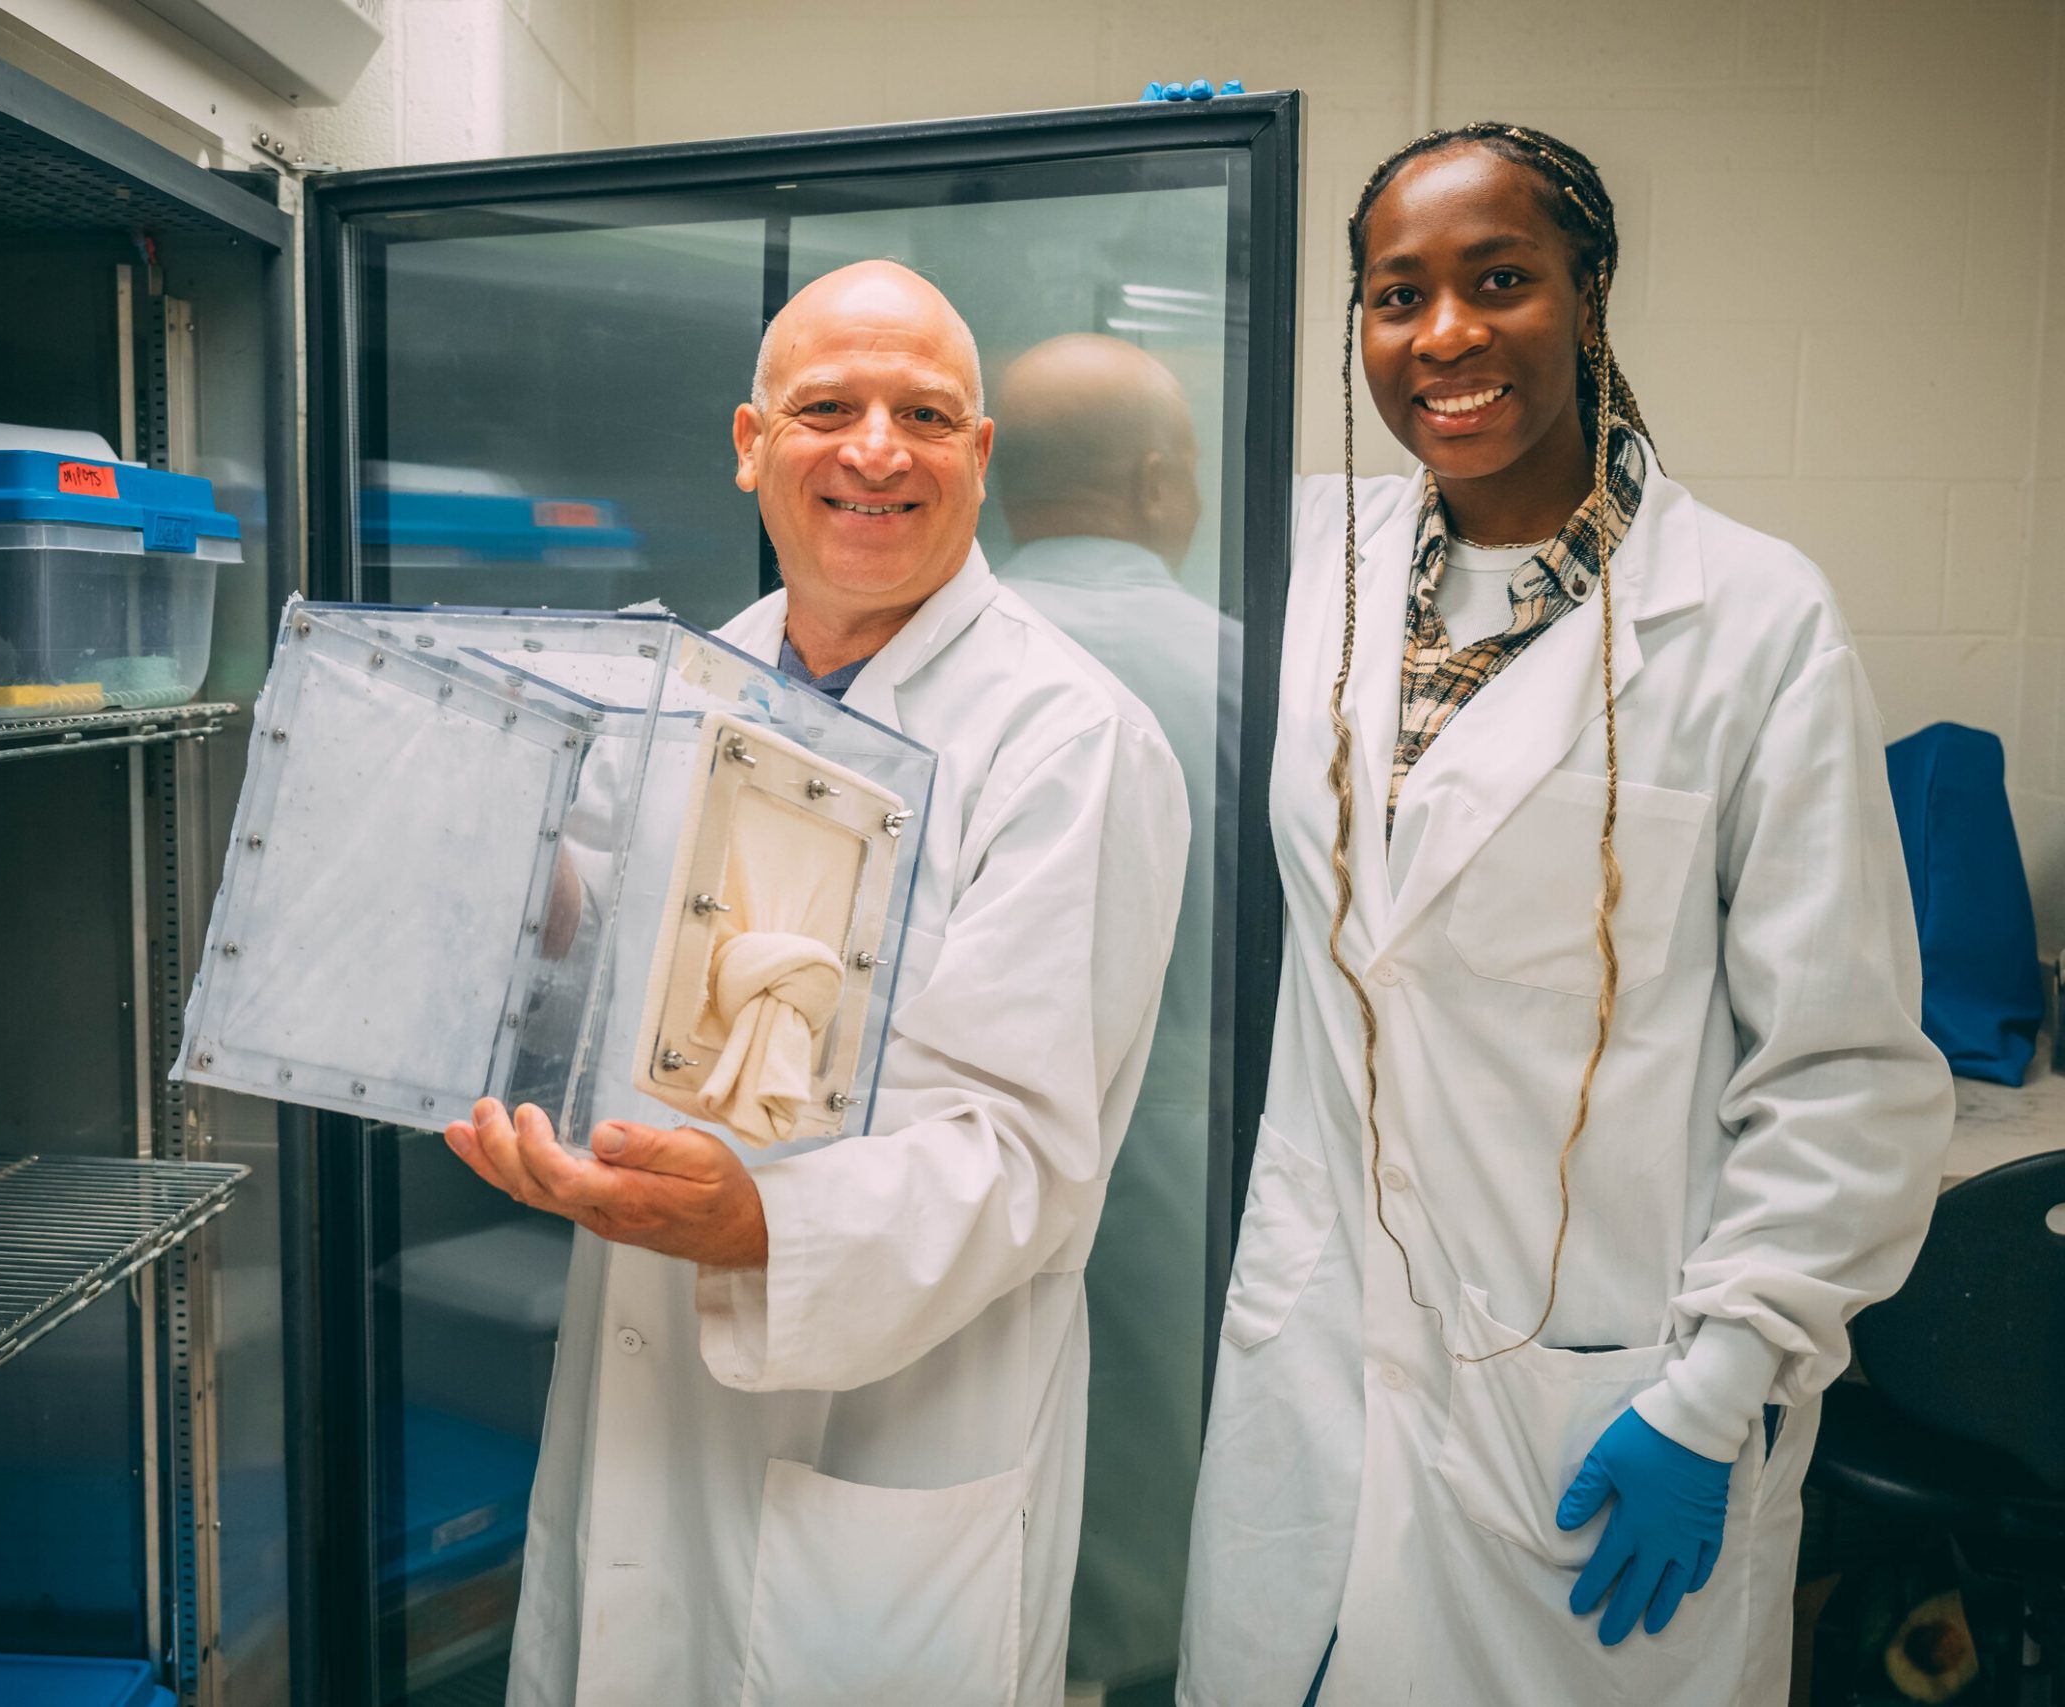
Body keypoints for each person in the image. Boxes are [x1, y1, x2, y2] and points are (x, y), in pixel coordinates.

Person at [1178, 124, 1954, 1707]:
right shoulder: (1316, 557)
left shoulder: (1746, 618)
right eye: (1397, 296)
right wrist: (1183, 175)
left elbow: (1845, 1073)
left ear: (1592, 294)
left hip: (1609, 1382)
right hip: (1323, 1348)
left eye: (1501, 279)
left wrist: (1717, 1388)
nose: (1445, 336)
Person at [443, 259, 1191, 1706]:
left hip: (892, 1424)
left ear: (979, 457)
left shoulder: (1066, 739)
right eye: (827, 407)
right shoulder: (683, 681)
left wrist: (762, 1229)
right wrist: (518, 877)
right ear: (750, 444)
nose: (873, 449)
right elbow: (615, 952)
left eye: (924, 414)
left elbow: (1024, 1156)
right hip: (642, 1393)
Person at [992, 332, 1238, 1700]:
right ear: (1157, 484)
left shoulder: (929, 658)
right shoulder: (1243, 673)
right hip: (1177, 1177)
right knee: (1149, 1534)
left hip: (944, 1184)